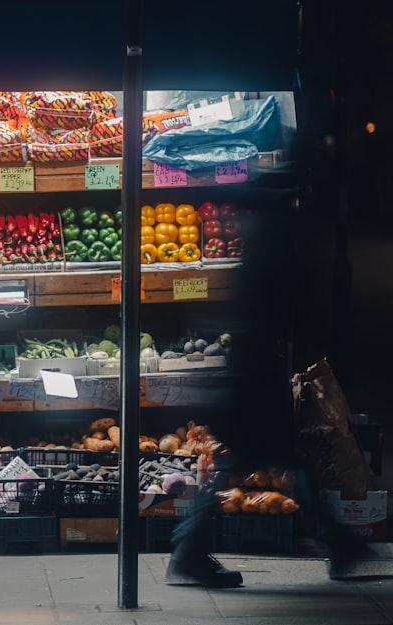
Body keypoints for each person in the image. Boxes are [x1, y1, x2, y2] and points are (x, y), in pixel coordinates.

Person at [165, 185, 376, 587]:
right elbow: (277, 305)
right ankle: (189, 552)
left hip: (251, 377)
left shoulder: (263, 234)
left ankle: (190, 552)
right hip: (254, 381)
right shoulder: (276, 239)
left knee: (267, 462)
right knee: (273, 462)